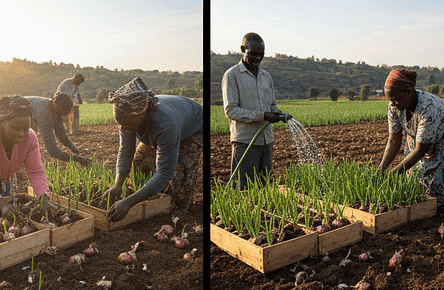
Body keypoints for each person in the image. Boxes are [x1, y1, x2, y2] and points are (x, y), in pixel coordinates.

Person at [104, 77, 203, 219]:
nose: (123, 128)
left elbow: (164, 173)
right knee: (139, 160)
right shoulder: (126, 119)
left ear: (141, 115)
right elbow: (126, 152)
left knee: (178, 172)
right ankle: (150, 197)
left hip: (193, 129)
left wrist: (128, 202)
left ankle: (180, 210)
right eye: (120, 124)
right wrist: (117, 185)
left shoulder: (165, 124)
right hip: (164, 128)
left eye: (126, 124)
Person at [380, 69, 444, 210]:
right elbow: (393, 141)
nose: (393, 103)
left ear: (409, 91)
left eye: (395, 99)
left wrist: (393, 174)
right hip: (420, 135)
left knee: (441, 183)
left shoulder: (429, 107)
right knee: (415, 178)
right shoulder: (394, 107)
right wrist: (382, 170)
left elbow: (420, 150)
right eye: (390, 100)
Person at [222, 32, 293, 189]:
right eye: (253, 54)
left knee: (263, 186)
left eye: (261, 55)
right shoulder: (232, 75)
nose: (257, 58)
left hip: (266, 140)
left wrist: (280, 115)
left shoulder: (266, 76)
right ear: (243, 49)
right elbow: (231, 111)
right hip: (245, 141)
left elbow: (272, 106)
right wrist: (262, 116)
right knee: (243, 188)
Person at [24, 93, 93, 165]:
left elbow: (61, 133)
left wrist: (72, 147)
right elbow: (52, 150)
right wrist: (77, 158)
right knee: (27, 138)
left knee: (29, 138)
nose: (63, 115)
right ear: (55, 103)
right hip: (16, 115)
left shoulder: (56, 110)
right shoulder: (45, 114)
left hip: (30, 117)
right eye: (63, 110)